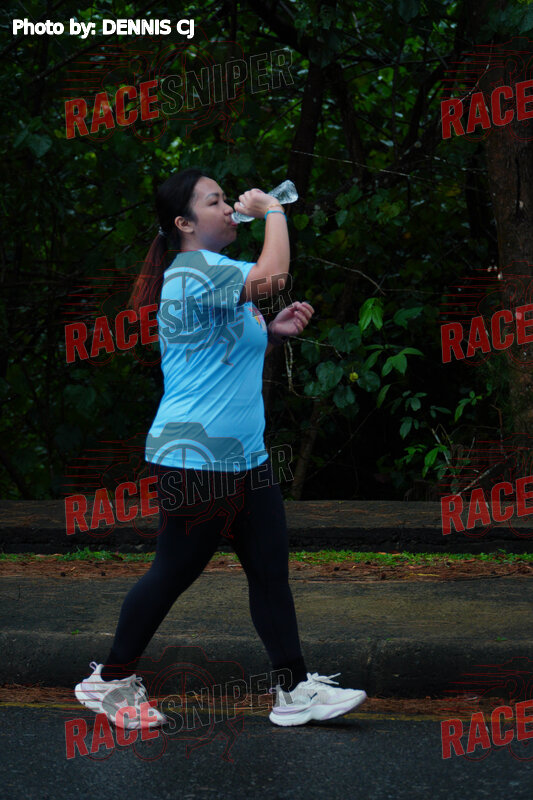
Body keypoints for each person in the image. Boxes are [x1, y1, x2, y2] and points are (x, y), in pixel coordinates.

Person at [74, 167, 367, 730]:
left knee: (270, 572)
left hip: (246, 459)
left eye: (227, 199)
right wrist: (273, 209)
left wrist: (272, 332)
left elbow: (228, 338)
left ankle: (293, 690)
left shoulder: (221, 272)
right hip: (196, 459)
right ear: (185, 223)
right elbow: (274, 276)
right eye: (215, 202)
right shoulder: (191, 272)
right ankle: (109, 680)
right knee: (172, 573)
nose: (229, 207)